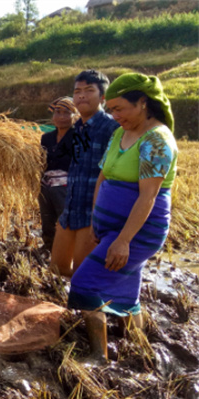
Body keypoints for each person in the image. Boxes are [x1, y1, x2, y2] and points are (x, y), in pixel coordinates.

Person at [68, 73, 177, 362]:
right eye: (112, 109)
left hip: (138, 231)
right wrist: (96, 222)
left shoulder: (156, 140)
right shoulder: (120, 133)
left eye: (120, 109)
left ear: (143, 102)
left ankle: (99, 356)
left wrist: (123, 240)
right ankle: (140, 352)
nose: (115, 116)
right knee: (126, 292)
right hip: (111, 229)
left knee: (84, 283)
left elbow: (148, 197)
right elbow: (103, 176)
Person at [50, 70, 119, 277]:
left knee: (83, 274)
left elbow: (113, 176)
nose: (81, 96)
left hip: (93, 214)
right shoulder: (78, 128)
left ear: (103, 97)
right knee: (57, 270)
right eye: (77, 91)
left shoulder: (112, 128)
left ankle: (90, 309)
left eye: (89, 91)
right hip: (70, 210)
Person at [38, 97, 77, 251]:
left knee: (64, 218)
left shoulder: (78, 136)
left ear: (75, 115)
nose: (61, 117)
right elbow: (42, 161)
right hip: (46, 186)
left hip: (66, 187)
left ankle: (66, 251)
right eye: (57, 112)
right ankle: (48, 246)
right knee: (47, 218)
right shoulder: (46, 138)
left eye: (66, 113)